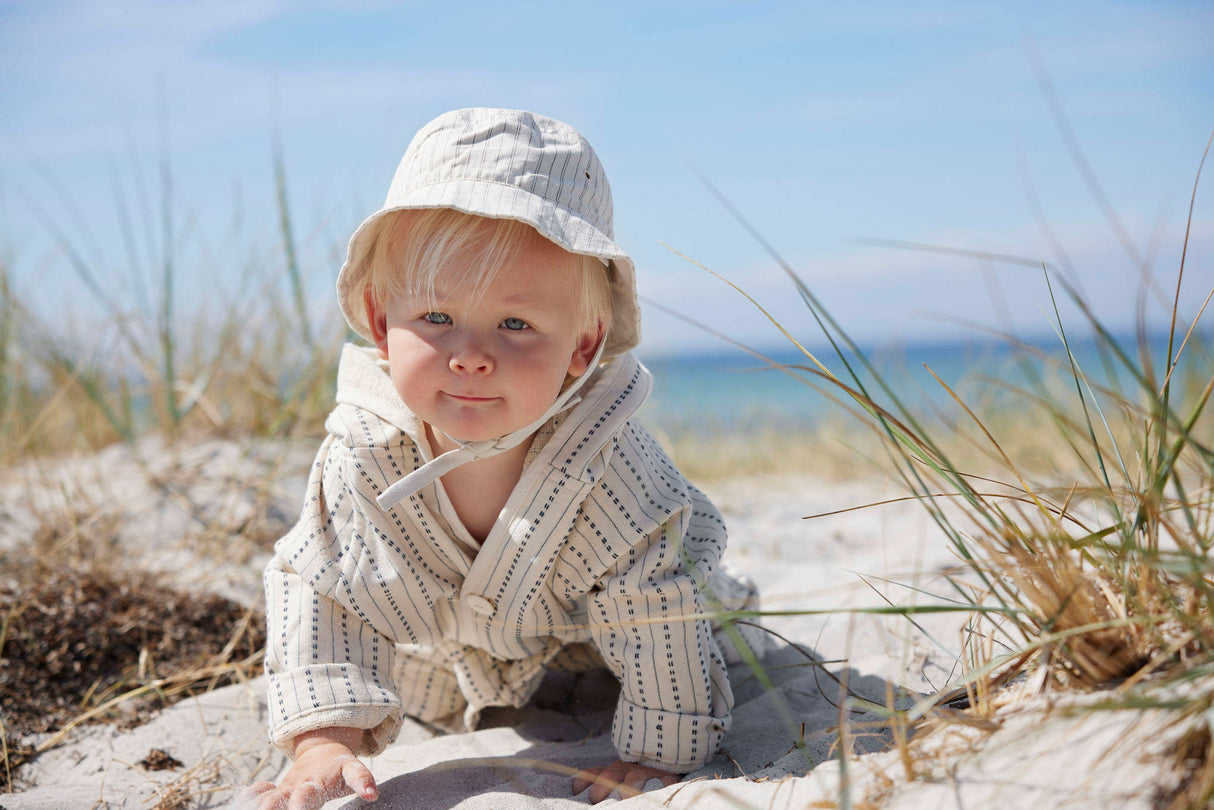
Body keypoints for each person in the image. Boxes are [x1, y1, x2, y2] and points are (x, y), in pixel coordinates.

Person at [242, 108, 763, 810]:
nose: (471, 355)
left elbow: (656, 603)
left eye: (516, 325)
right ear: (378, 321)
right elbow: (326, 586)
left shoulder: (612, 464)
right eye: (435, 318)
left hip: (611, 644)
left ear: (582, 346)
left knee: (714, 635)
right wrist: (324, 739)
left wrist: (657, 754)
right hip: (463, 658)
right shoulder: (360, 455)